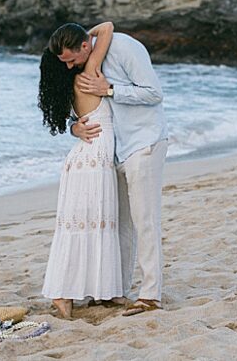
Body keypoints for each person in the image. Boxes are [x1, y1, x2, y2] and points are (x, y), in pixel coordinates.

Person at [46, 22, 168, 318]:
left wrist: (110, 89)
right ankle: (117, 290)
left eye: (72, 59)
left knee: (145, 220)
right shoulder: (89, 59)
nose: (70, 66)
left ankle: (151, 294)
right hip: (114, 151)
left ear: (85, 47)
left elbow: (154, 93)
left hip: (143, 141)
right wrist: (75, 127)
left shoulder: (125, 48)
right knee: (121, 223)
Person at [38, 21, 121, 319]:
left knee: (89, 226)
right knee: (86, 226)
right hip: (92, 159)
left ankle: (90, 292)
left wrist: (74, 128)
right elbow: (108, 28)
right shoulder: (87, 73)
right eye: (66, 61)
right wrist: (83, 35)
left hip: (88, 158)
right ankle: (63, 294)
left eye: (70, 58)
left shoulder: (76, 77)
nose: (70, 64)